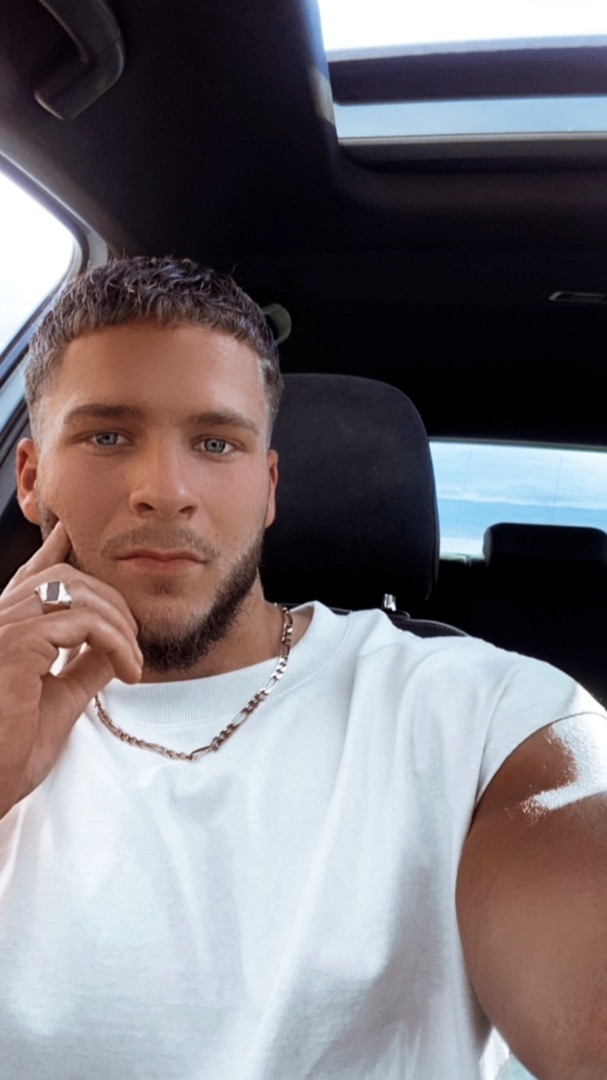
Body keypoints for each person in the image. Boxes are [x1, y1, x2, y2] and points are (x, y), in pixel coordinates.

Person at [1, 256, 607, 1080]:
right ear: (31, 478)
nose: (165, 491)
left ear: (268, 488)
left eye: (216, 443)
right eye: (108, 436)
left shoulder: (485, 710)